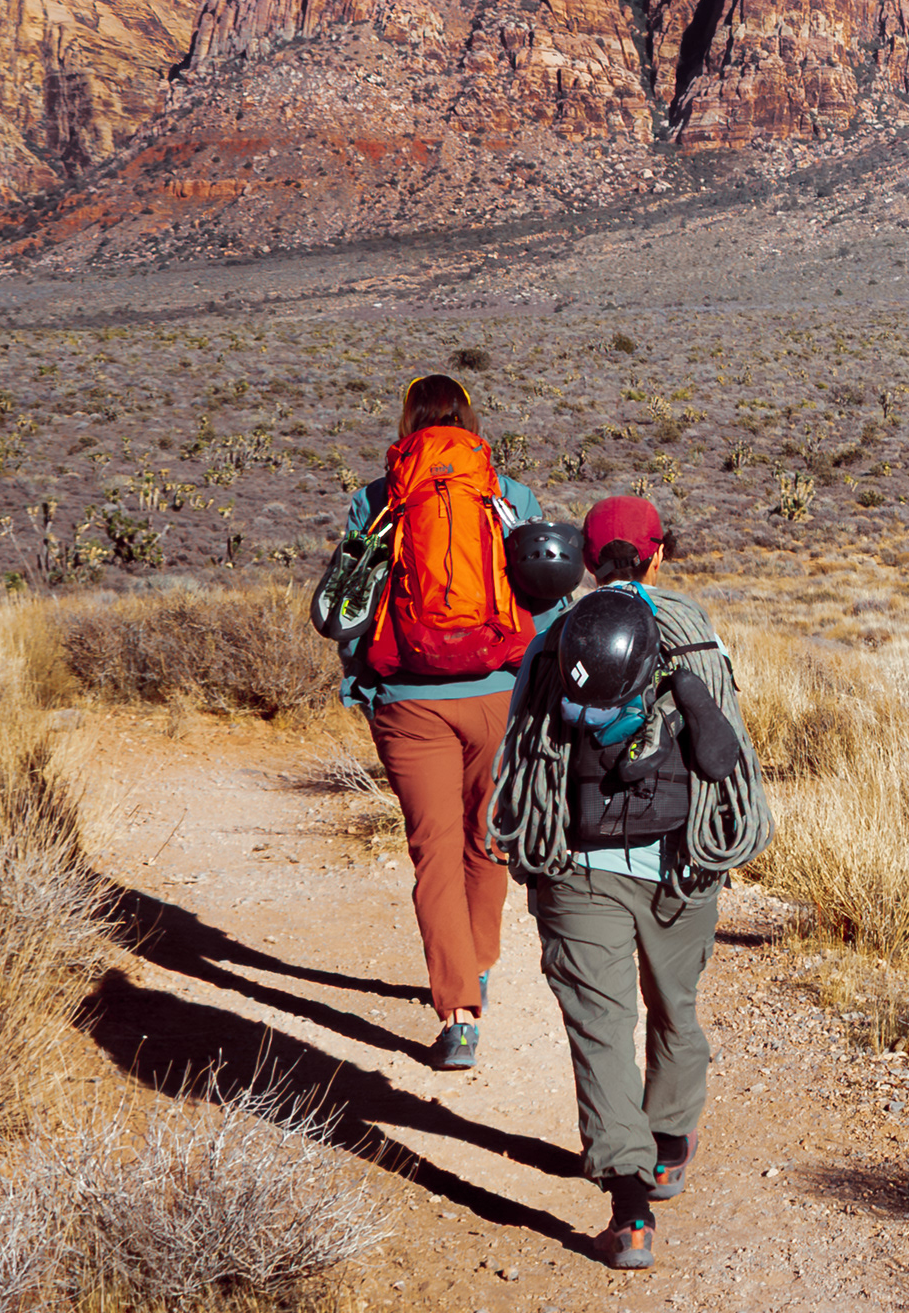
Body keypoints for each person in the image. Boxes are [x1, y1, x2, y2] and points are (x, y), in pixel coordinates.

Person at [490, 496, 768, 1272]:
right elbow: (728, 758)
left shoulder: (555, 643)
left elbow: (523, 754)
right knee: (675, 1006)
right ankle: (670, 1145)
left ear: (585, 555)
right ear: (658, 554)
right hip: (682, 862)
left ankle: (631, 1210)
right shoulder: (695, 632)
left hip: (577, 863)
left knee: (601, 1028)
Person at [326, 374, 544, 1072]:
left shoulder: (379, 499)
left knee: (435, 852)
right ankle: (475, 968)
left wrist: (364, 682)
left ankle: (458, 1016)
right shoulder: (507, 497)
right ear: (471, 419)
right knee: (487, 842)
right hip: (499, 695)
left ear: (407, 420)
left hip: (409, 699)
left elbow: (349, 606)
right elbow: (547, 599)